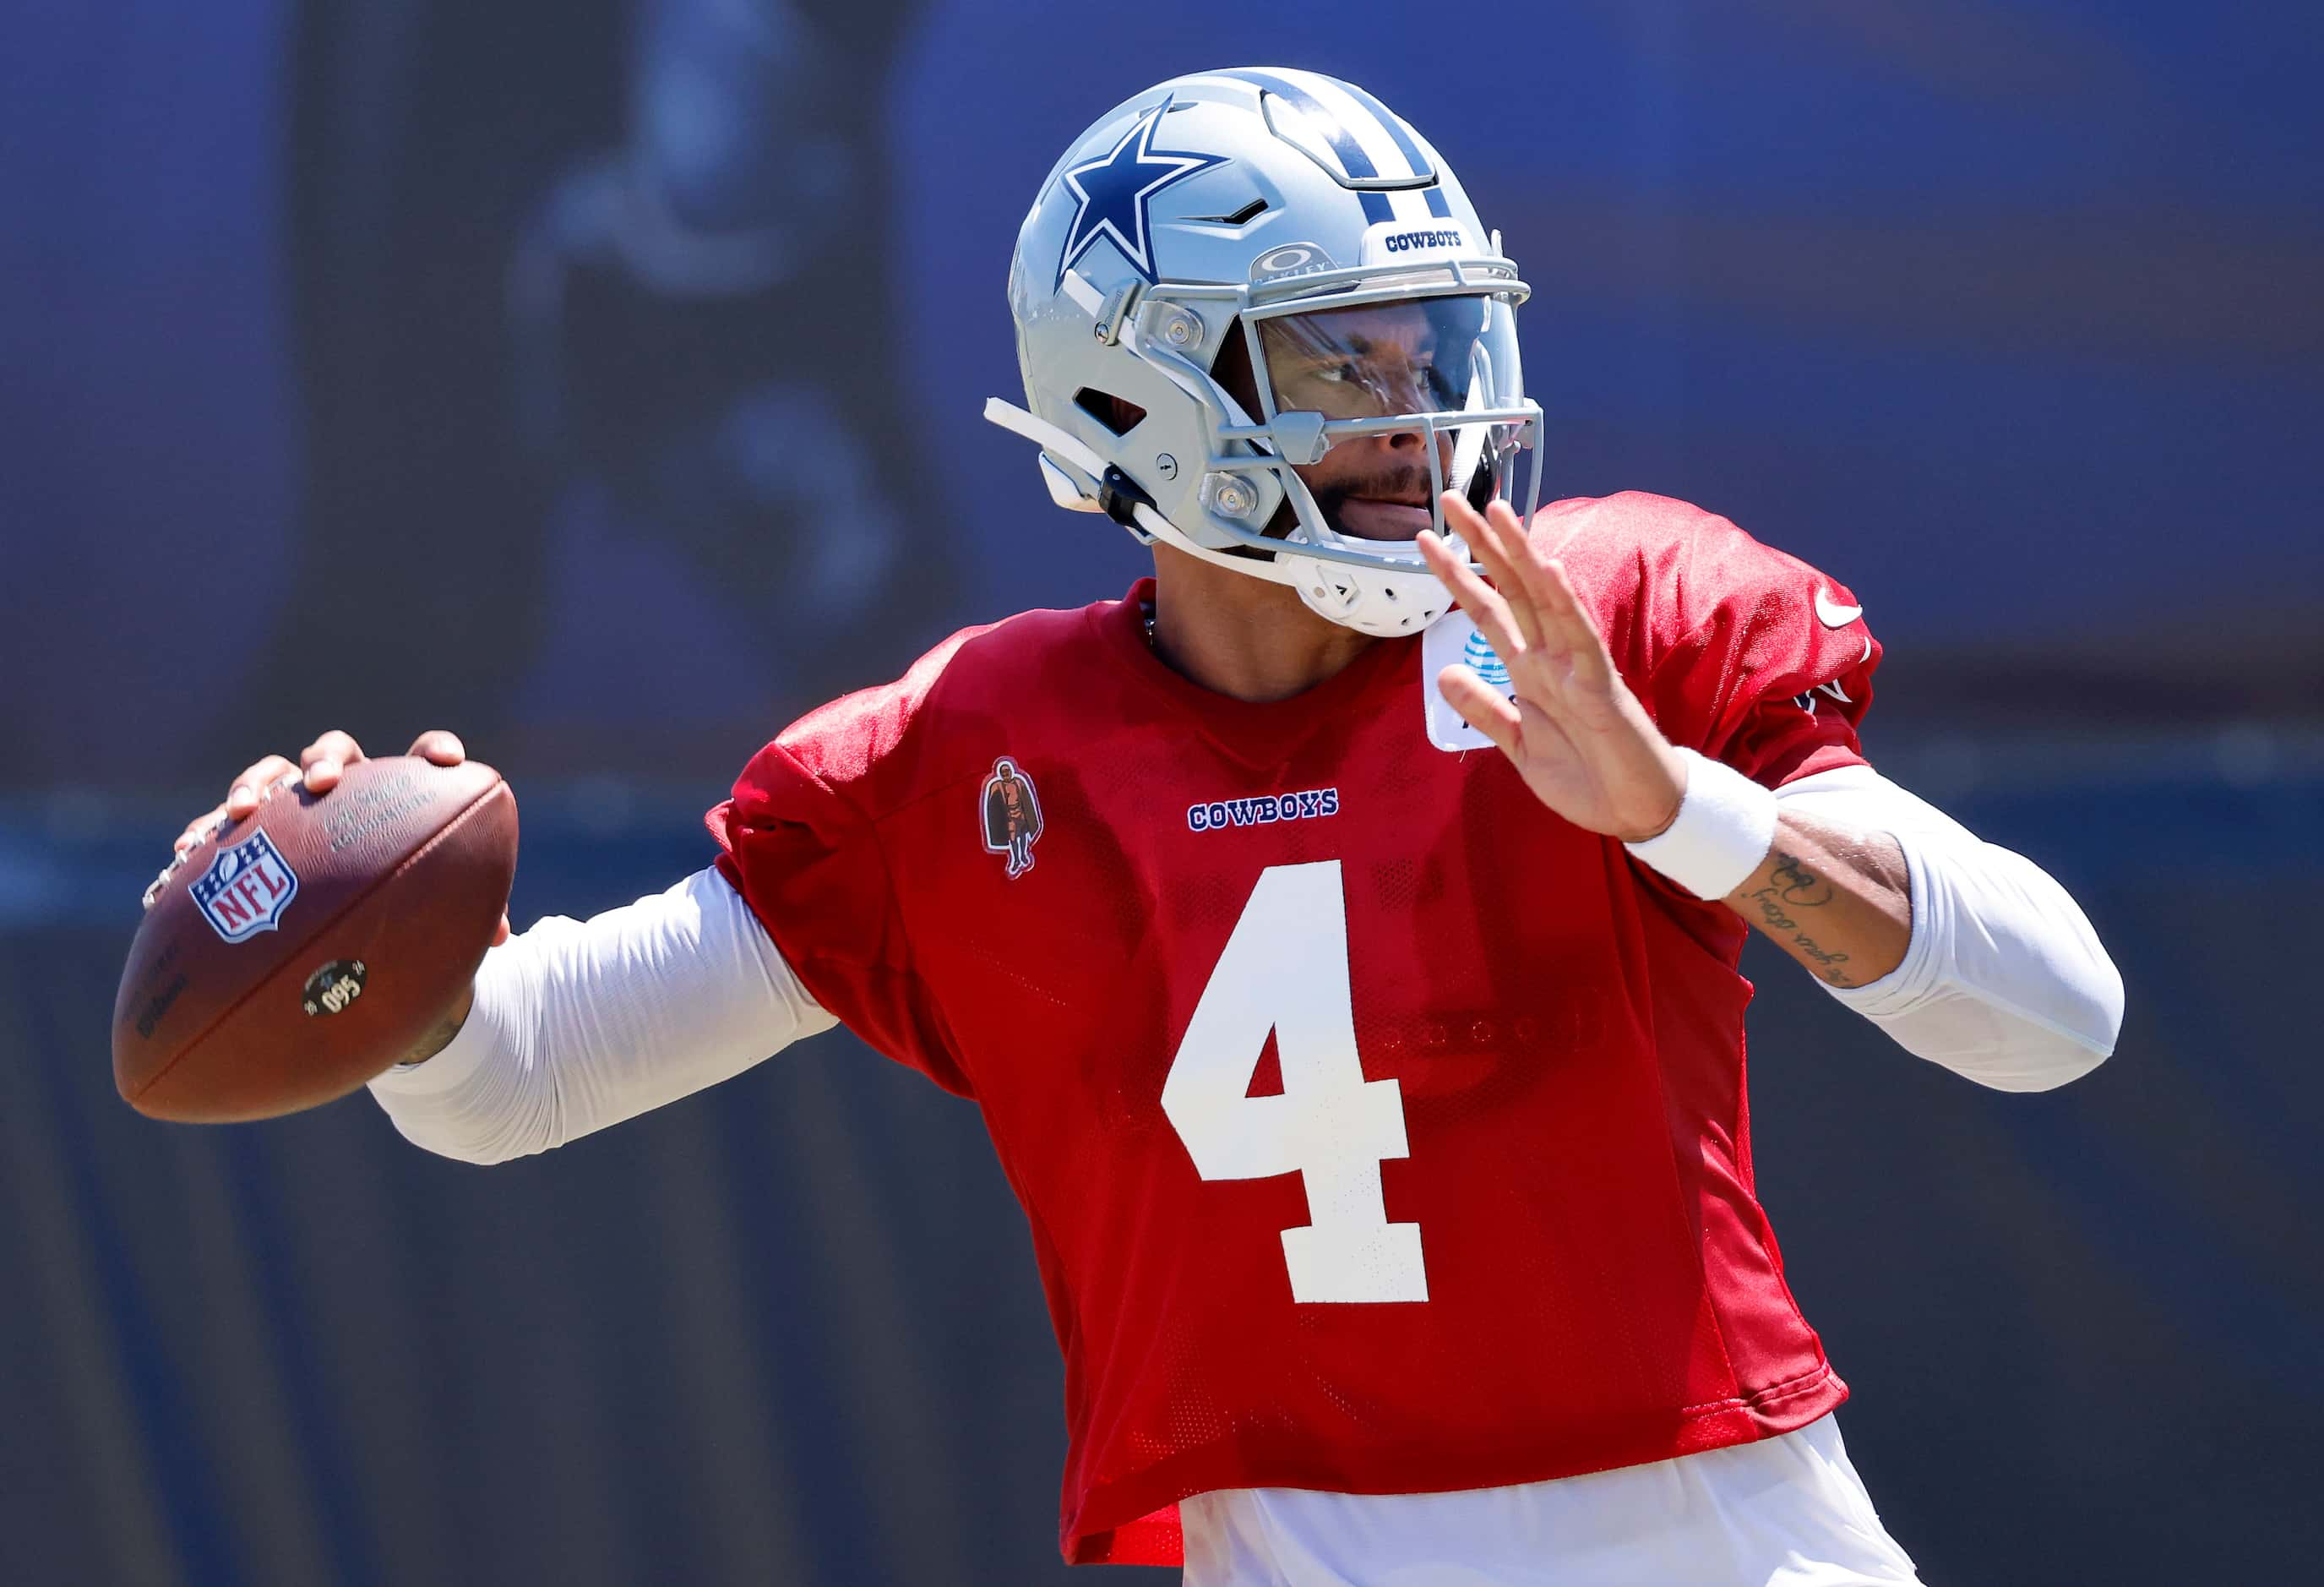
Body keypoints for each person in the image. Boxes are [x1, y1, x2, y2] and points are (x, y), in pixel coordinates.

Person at [169, 69, 2124, 1585]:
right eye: (1339, 358)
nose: (1415, 407)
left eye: (1426, 345)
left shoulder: (1601, 625)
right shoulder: (971, 752)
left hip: (1720, 1533)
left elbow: (2054, 1016)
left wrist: (1672, 807)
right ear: (1144, 396)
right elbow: (518, 1073)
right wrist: (374, 949)